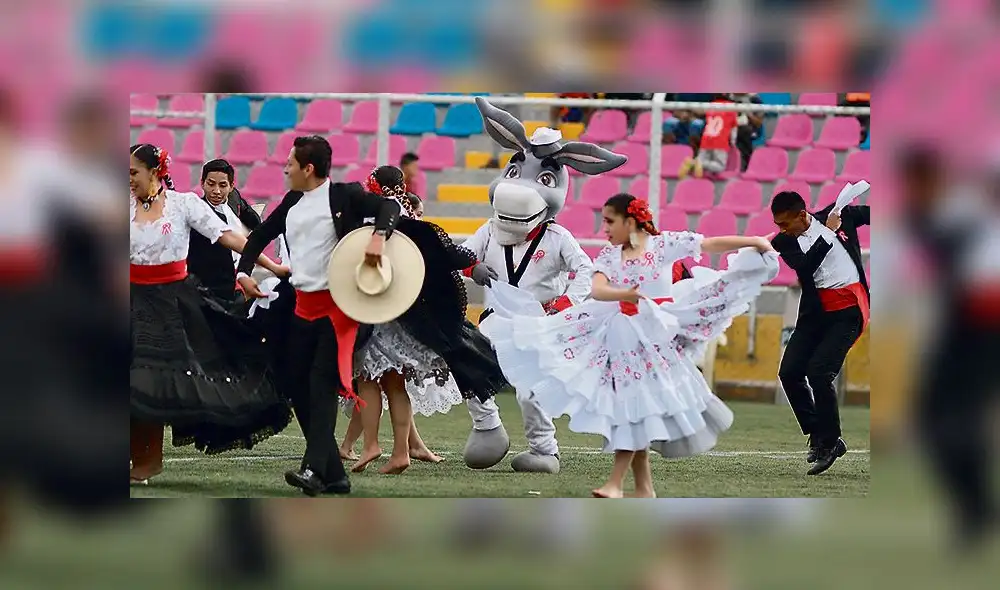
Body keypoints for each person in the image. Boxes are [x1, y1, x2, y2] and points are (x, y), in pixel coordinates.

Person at [481, 194, 778, 497]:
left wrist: (753, 240)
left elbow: (709, 244)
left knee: (634, 413)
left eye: (610, 221)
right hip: (621, 340)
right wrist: (626, 294)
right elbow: (597, 290)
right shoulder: (610, 257)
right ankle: (642, 488)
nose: (604, 228)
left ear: (630, 221)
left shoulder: (663, 245)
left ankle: (617, 484)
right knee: (634, 413)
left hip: (654, 343)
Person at [461, 97, 627, 474]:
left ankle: (544, 450)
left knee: (530, 390)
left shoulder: (557, 237)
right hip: (494, 319)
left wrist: (567, 301)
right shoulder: (489, 229)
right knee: (467, 365)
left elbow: (585, 270)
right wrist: (472, 268)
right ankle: (487, 429)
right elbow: (461, 254)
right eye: (516, 174)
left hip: (537, 324)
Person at [234, 135, 403, 496]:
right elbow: (260, 233)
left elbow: (390, 208)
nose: (284, 168)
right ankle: (335, 475)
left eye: (290, 163)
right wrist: (243, 272)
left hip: (338, 312)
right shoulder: (293, 201)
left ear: (308, 168)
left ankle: (312, 469)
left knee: (320, 387)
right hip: (301, 309)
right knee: (297, 388)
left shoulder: (344, 195)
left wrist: (378, 237)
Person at [129, 143, 293, 485]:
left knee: (151, 378)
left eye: (133, 172)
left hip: (170, 302)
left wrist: (271, 266)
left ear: (154, 171)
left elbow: (228, 237)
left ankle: (148, 459)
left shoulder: (182, 204)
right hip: (130, 297)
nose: (128, 179)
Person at [347, 166, 462, 474]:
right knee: (395, 383)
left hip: (374, 303)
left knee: (367, 376)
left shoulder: (380, 213)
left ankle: (372, 444)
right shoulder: (408, 212)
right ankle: (402, 450)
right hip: (401, 307)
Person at [770, 190, 870, 476]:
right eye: (778, 224)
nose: (781, 230)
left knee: (819, 373)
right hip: (815, 315)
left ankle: (829, 442)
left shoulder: (840, 215)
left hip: (849, 309)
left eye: (785, 223)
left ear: (802, 215)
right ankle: (819, 434)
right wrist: (828, 233)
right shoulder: (784, 242)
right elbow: (804, 267)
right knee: (789, 372)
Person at [187, 158, 264, 304]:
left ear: (231, 186)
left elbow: (257, 225)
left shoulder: (235, 199)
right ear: (202, 183)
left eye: (222, 185)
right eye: (211, 184)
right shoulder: (196, 214)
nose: (216, 191)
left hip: (239, 276)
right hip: (209, 286)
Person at [678, 94, 738, 179]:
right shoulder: (732, 107)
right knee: (720, 167)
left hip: (706, 139)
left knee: (702, 161)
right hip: (720, 141)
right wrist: (733, 142)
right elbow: (734, 128)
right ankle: (697, 163)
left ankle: (696, 162)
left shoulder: (711, 105)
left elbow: (701, 113)